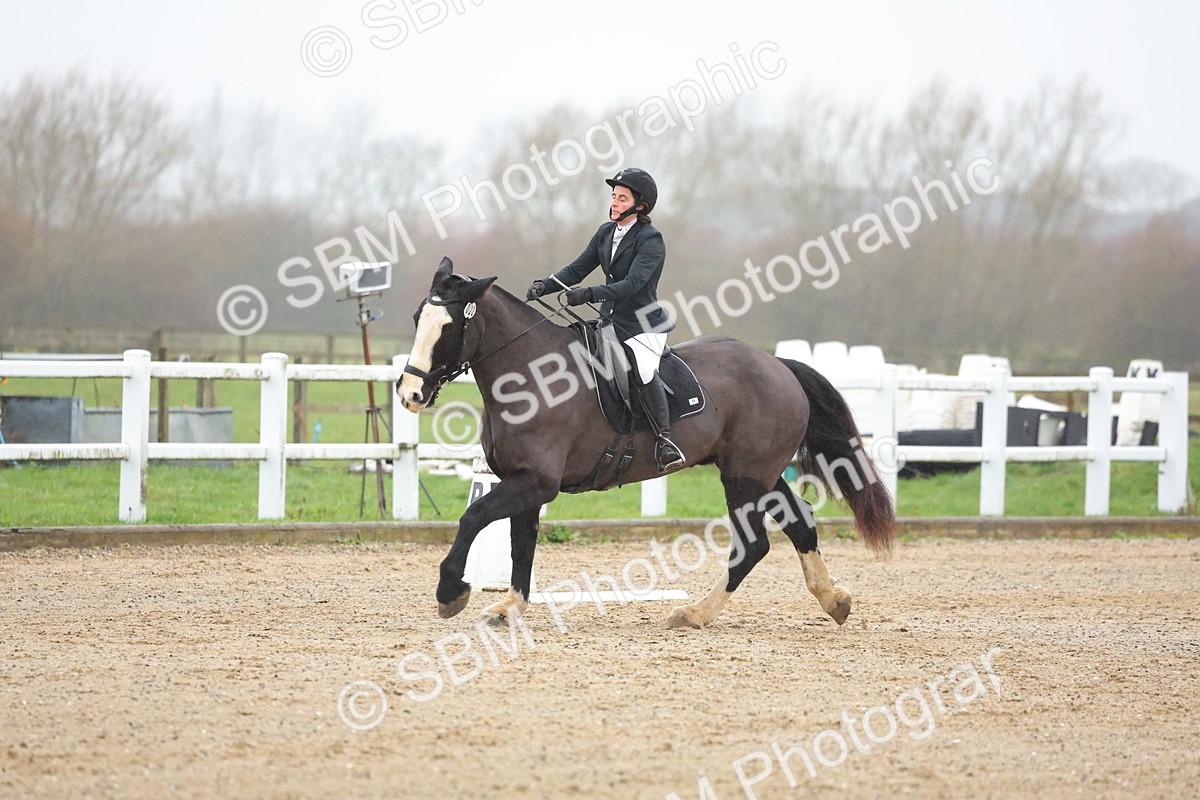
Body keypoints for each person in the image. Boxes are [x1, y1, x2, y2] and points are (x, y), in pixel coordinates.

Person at [526, 167, 685, 473]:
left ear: (640, 205)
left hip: (643, 325)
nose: (614, 202)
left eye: (622, 198)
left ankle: (666, 442)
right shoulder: (605, 232)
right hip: (611, 322)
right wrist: (546, 285)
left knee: (644, 370)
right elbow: (577, 269)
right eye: (613, 196)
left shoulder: (651, 239)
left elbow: (633, 284)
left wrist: (589, 294)